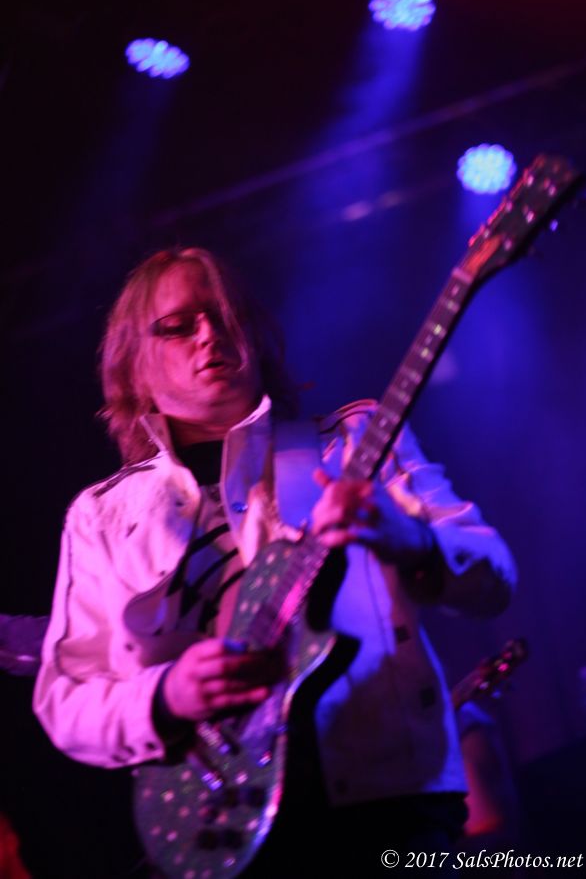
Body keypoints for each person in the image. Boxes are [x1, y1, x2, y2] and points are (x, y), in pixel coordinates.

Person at [33, 247, 517, 877]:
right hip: (217, 823)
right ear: (134, 366)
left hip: (389, 807)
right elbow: (66, 699)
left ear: (256, 336)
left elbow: (495, 575)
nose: (209, 334)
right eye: (177, 326)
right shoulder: (101, 516)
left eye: (223, 315)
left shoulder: (354, 442)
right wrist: (166, 694)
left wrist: (413, 540)